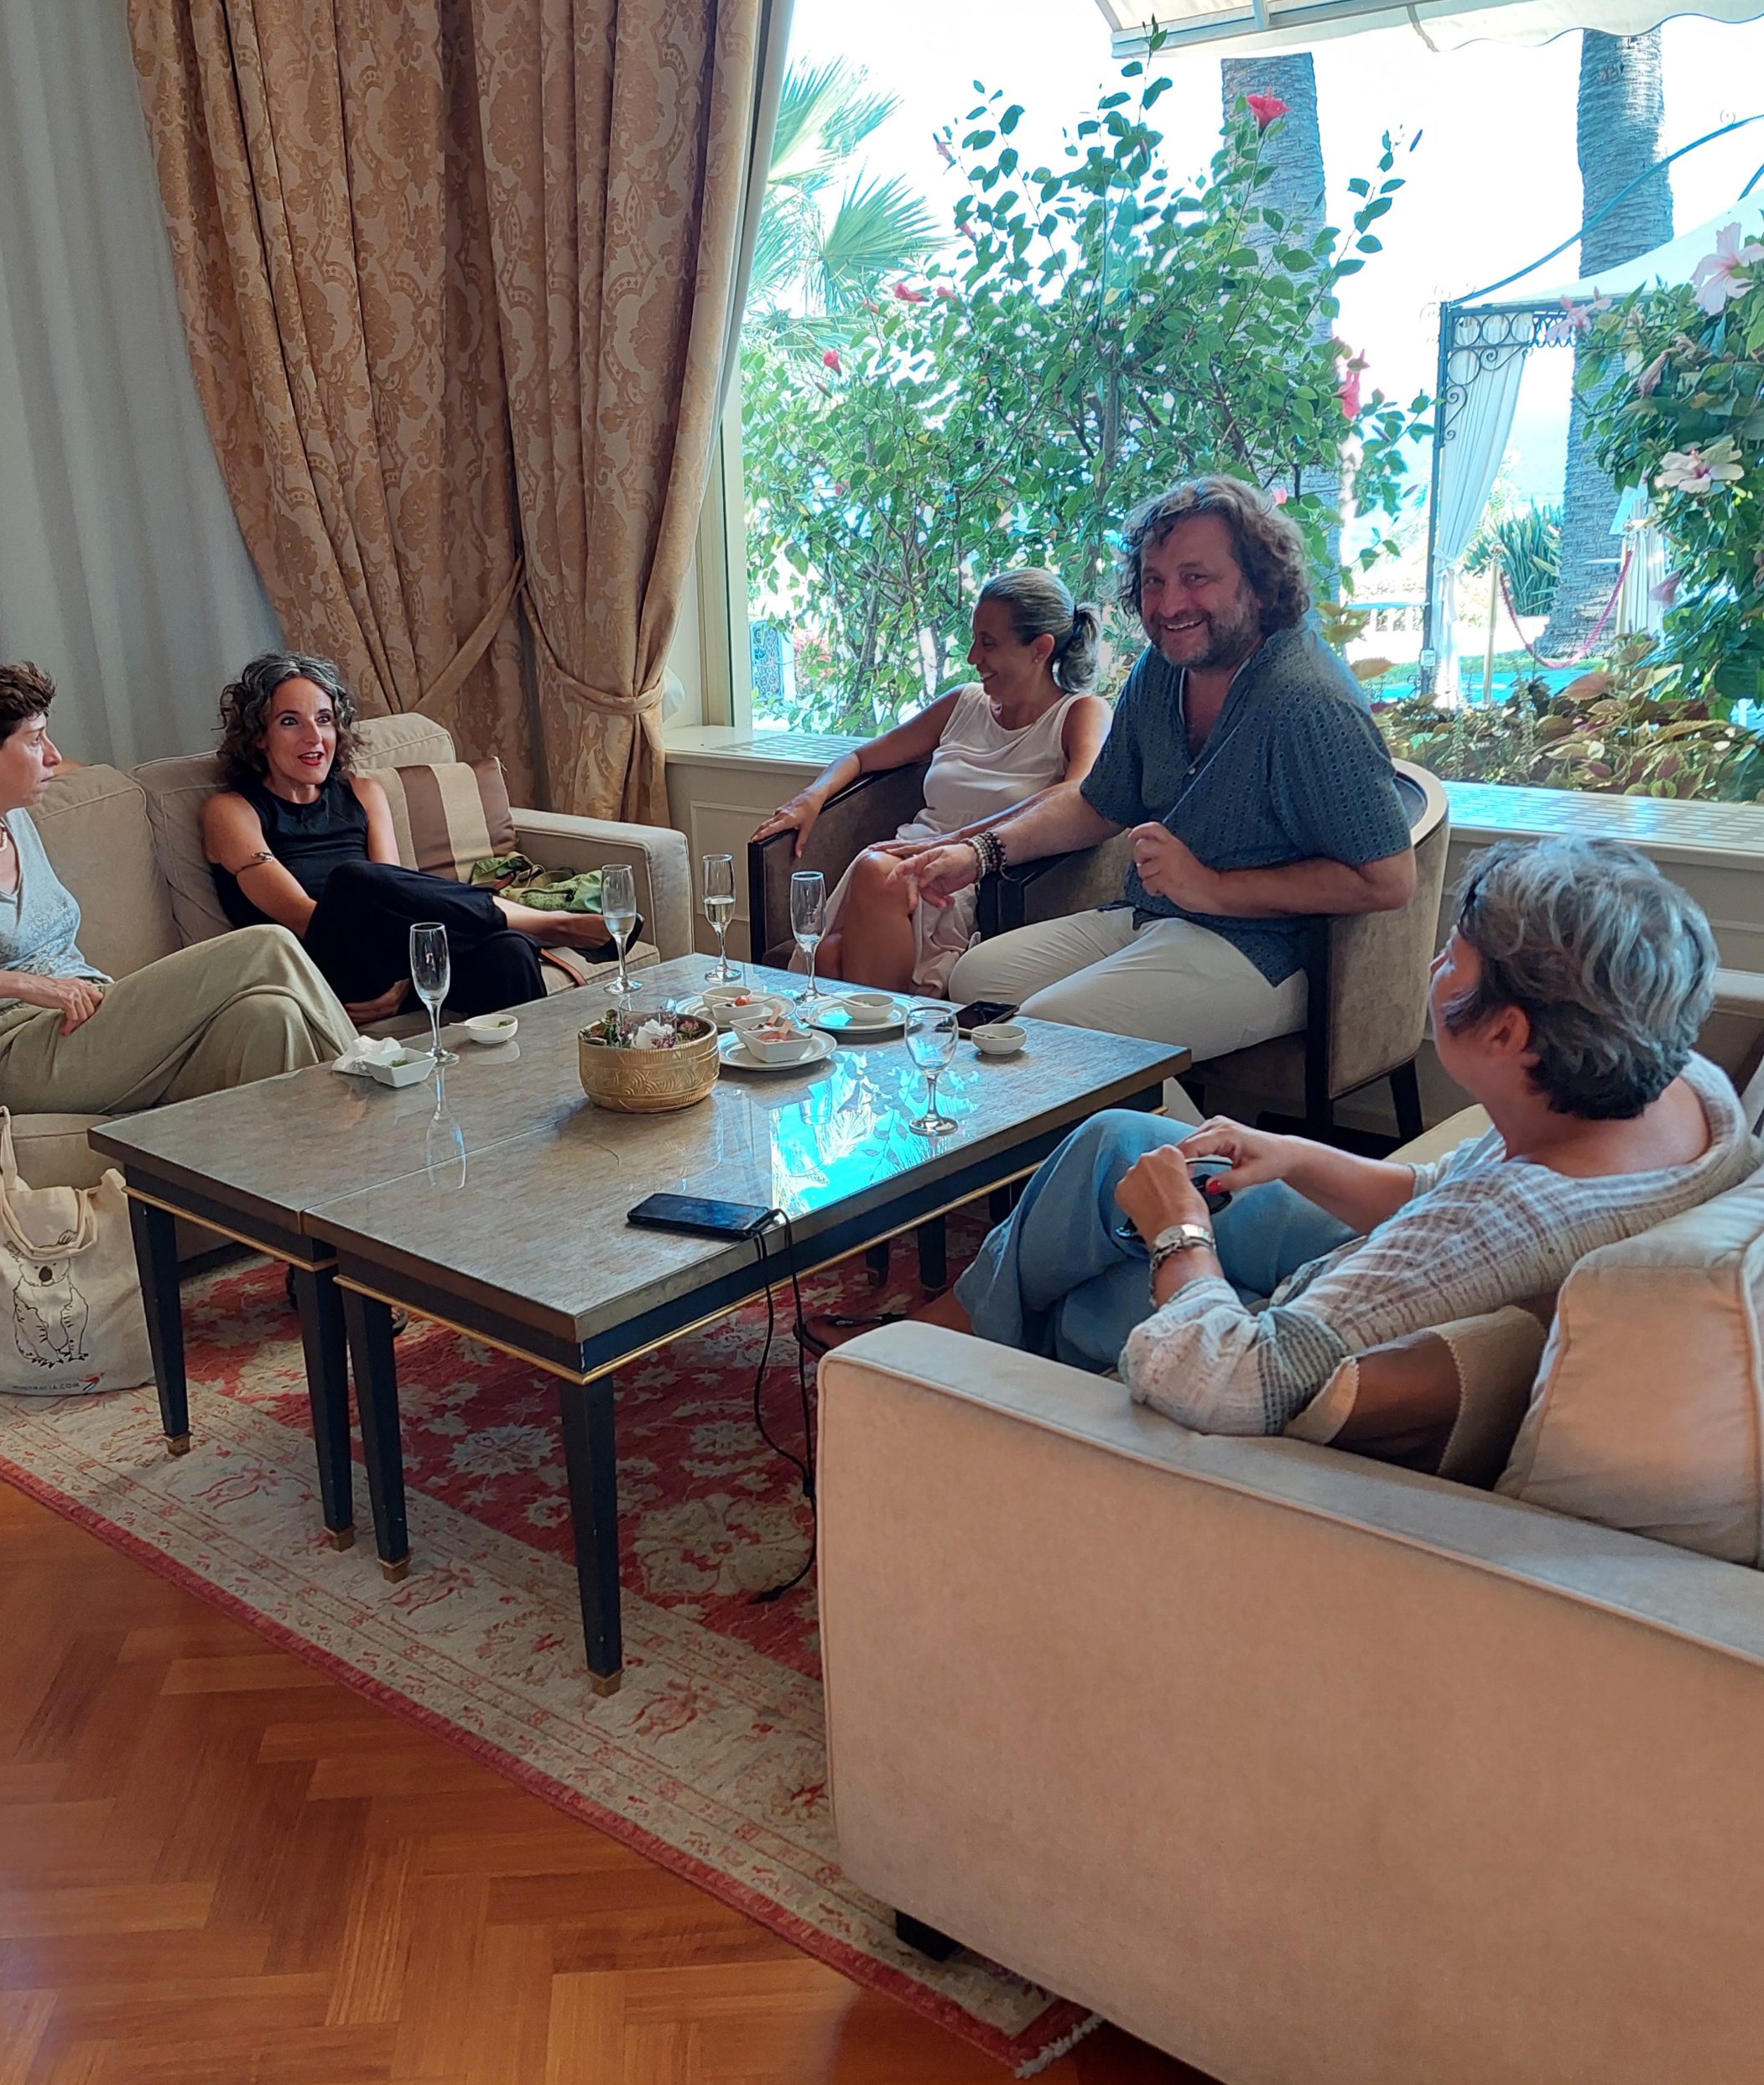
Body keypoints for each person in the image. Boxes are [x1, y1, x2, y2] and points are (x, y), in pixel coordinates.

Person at [929, 838, 1756, 1437]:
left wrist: (1178, 1233)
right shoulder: (1680, 1084)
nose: (1432, 968)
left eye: (1452, 959)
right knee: (1114, 1141)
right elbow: (1438, 1194)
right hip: (1360, 1285)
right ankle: (963, 1343)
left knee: (1087, 1303)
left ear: (1508, 1033)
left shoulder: (1501, 1227)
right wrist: (1293, 1154)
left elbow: (1226, 1380)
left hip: (1285, 1341)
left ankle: (942, 1383)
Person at [910, 477, 1413, 1060]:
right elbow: (1099, 803)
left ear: (1258, 583)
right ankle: (1152, 1107)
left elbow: (1389, 879)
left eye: (1196, 578)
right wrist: (978, 853)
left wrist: (1215, 887)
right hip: (1154, 916)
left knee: (1055, 1031)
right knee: (977, 978)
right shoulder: (1162, 667)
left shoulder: (1308, 700)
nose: (1169, 606)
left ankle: (1167, 1121)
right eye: (1154, 581)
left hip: (1264, 951)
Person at [0, 659, 356, 1112]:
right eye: (35, 740)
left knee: (271, 1018)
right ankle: (372, 1078)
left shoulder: (12, 819)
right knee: (267, 945)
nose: (51, 755)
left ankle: (302, 1181)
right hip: (15, 1048)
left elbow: (78, 770)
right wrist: (27, 985)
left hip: (91, 1021)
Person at [750, 569, 1109, 994]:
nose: (973, 657)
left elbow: (1079, 794)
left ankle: (882, 1028)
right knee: (830, 952)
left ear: (1040, 649)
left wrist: (960, 843)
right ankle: (887, 1027)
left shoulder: (1080, 713)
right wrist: (813, 796)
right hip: (908, 856)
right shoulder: (964, 703)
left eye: (988, 643)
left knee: (872, 884)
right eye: (974, 640)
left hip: (976, 875)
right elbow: (861, 757)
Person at [200, 653, 613, 1022]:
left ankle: (529, 1079)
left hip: (395, 957)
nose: (314, 737)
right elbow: (302, 918)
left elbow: (397, 897)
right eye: (290, 721)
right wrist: (405, 960)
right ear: (258, 735)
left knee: (508, 952)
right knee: (354, 879)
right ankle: (551, 923)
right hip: (319, 965)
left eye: (324, 719)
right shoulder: (232, 811)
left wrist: (412, 976)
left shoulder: (363, 792)